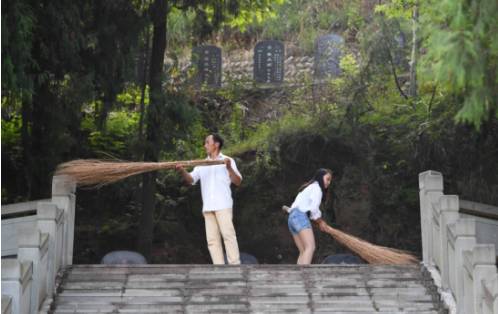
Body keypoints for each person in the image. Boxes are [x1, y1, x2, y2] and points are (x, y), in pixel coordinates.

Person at [176, 134, 242, 264]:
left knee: (228, 235)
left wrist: (228, 168)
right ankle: (219, 266)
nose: (205, 145)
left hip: (223, 204)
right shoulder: (202, 164)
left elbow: (238, 181)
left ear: (216, 144)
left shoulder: (227, 160)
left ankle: (235, 265)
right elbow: (191, 179)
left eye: (207, 142)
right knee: (212, 240)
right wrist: (182, 171)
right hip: (208, 206)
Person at [286, 168, 332, 264]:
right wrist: (320, 222)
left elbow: (308, 212)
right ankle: (305, 276)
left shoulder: (308, 188)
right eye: (327, 179)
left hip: (291, 218)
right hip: (299, 216)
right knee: (310, 247)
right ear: (320, 177)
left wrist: (318, 221)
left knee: (303, 251)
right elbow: (313, 209)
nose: (329, 183)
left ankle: (299, 277)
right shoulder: (317, 188)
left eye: (330, 180)